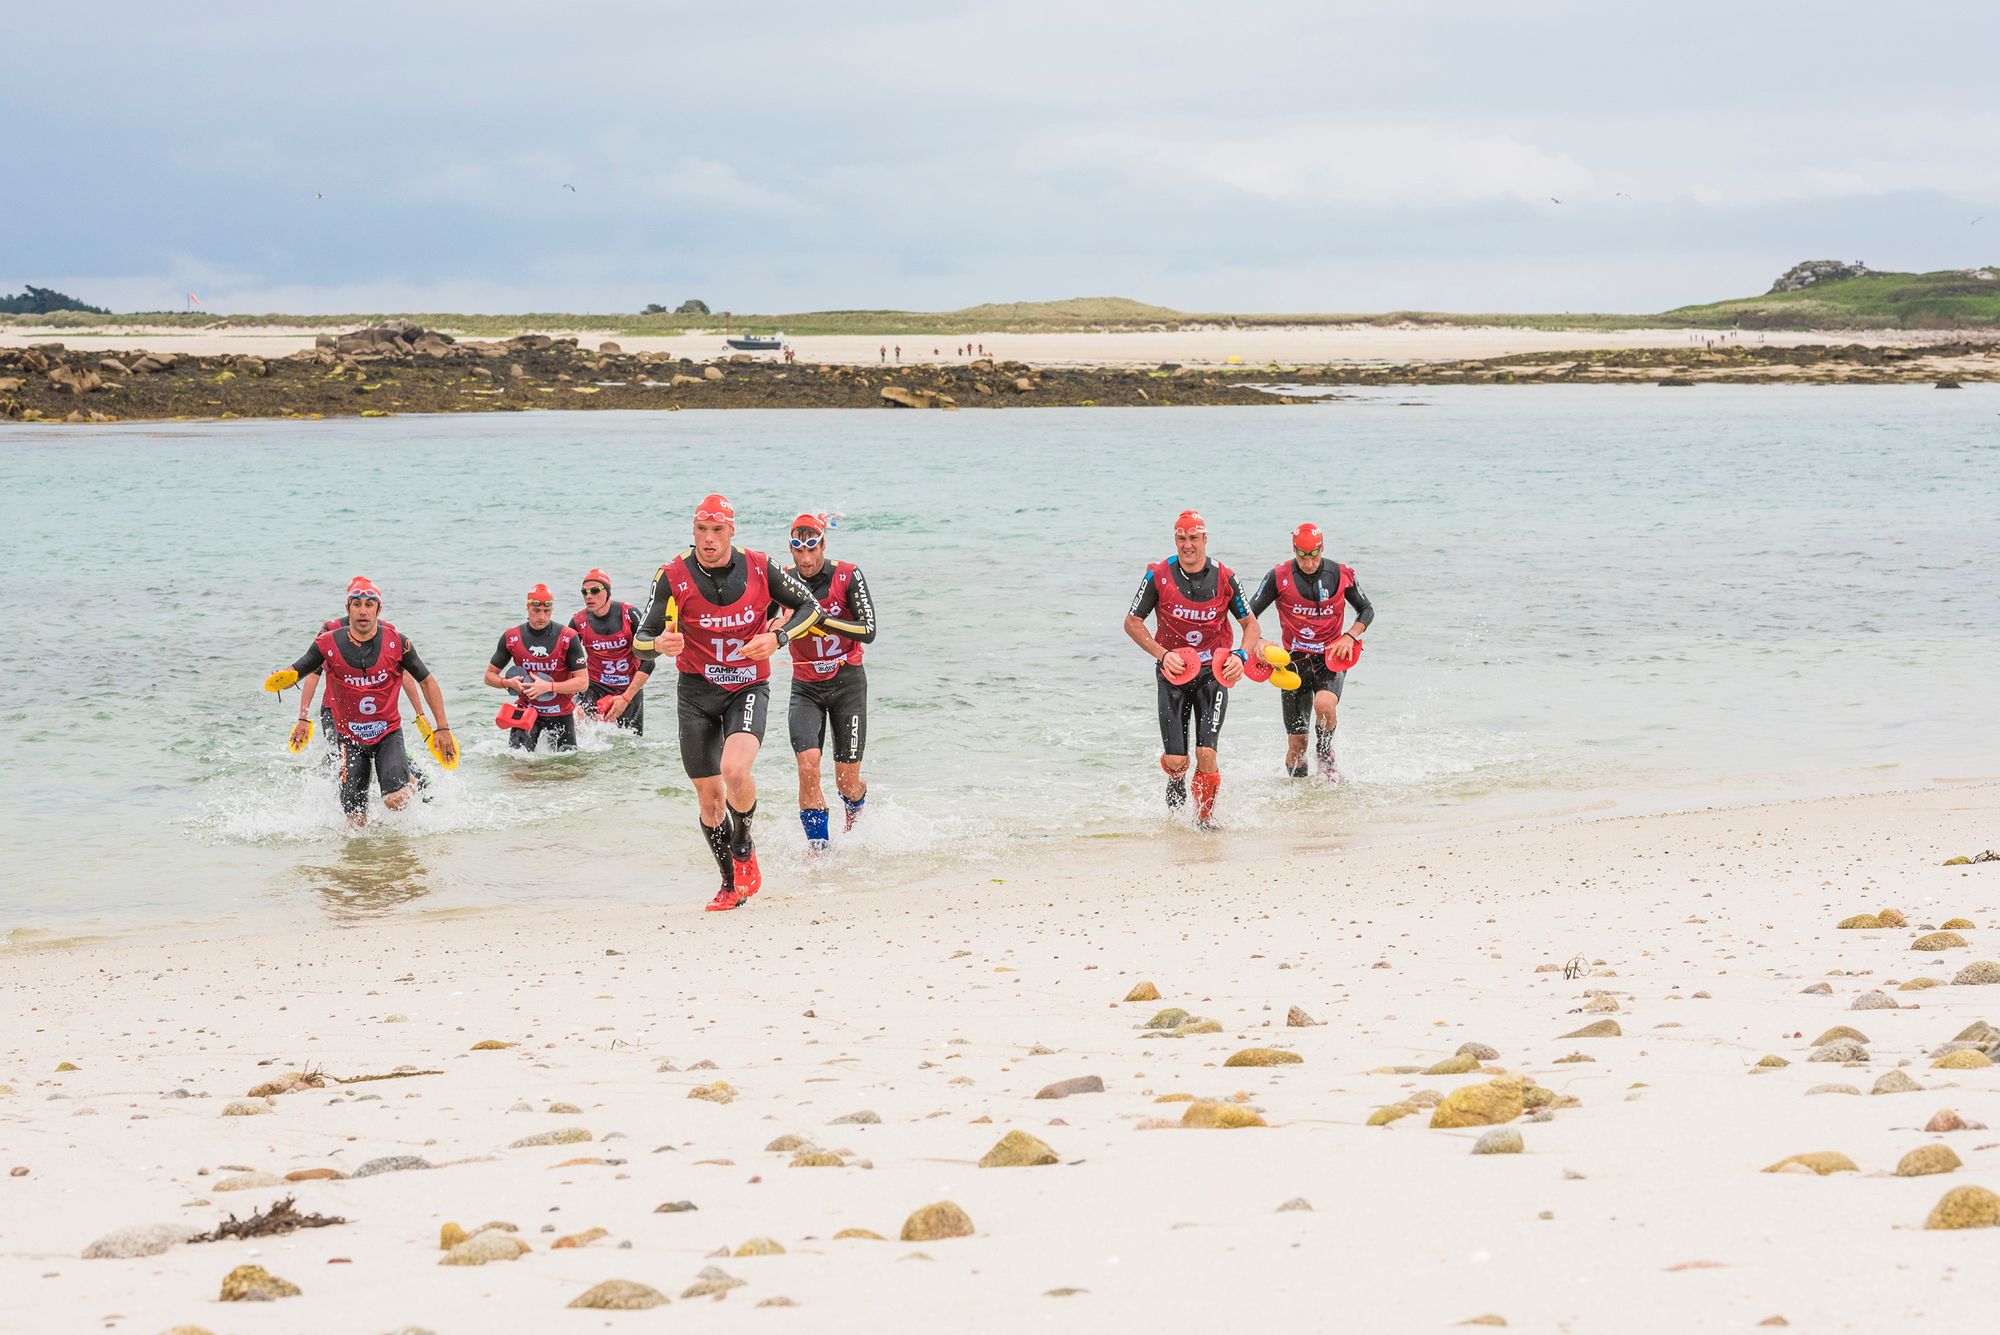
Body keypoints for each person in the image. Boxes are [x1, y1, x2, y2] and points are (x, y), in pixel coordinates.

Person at [634, 495, 821, 911]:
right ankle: (728, 884)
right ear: (693, 531)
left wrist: (777, 637)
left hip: (747, 686)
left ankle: (743, 844)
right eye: (701, 530)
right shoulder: (671, 575)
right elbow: (640, 638)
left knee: (735, 770)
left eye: (717, 530)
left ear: (731, 531)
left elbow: (812, 606)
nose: (708, 539)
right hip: (696, 692)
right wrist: (661, 644)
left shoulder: (759, 565)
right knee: (709, 799)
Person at [1122, 511, 1262, 829]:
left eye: (1194, 538)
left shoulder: (1225, 577)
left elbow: (1250, 623)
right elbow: (1132, 622)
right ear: (1176, 540)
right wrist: (1161, 654)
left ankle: (1204, 821)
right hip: (1173, 673)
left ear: (1204, 539)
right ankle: (1175, 806)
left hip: (1212, 673)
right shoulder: (1158, 575)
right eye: (1181, 538)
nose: (1188, 545)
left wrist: (1241, 655)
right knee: (1176, 761)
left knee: (1207, 753)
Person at [287, 577, 457, 826]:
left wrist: (425, 718)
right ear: (348, 605)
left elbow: (411, 677)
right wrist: (303, 717)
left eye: (369, 603)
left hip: (382, 721)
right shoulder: (329, 634)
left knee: (394, 800)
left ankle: (406, 781)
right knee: (353, 817)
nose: (363, 610)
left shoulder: (391, 636)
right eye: (357, 603)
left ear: (378, 607)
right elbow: (311, 673)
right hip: (337, 713)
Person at [781, 512, 878, 852]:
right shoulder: (782, 581)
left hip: (847, 684)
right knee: (807, 767)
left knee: (846, 780)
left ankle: (855, 819)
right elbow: (760, 627)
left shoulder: (848, 575)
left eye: (812, 550)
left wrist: (822, 619)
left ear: (823, 544)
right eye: (798, 552)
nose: (806, 560)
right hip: (805, 687)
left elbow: (868, 631)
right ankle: (819, 851)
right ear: (791, 550)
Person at [1247, 523, 1373, 781]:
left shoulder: (1340, 574)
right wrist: (1258, 641)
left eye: (1314, 554)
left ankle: (1325, 755)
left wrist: (1350, 636)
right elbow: (1247, 616)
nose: (1308, 561)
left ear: (1321, 549)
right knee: (1297, 745)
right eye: (1302, 555)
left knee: (1324, 703)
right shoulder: (1278, 576)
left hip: (1330, 657)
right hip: (1293, 662)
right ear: (1294, 550)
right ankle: (1299, 794)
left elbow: (1366, 610)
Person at [484, 583, 588, 752]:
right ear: (528, 607)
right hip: (527, 712)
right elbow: (489, 676)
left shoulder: (568, 637)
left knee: (569, 771)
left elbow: (583, 682)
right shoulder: (512, 637)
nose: (542, 616)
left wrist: (549, 687)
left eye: (547, 611)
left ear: (551, 609)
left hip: (561, 713)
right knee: (517, 765)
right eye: (536, 610)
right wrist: (507, 683)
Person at [569, 568, 647, 734]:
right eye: (585, 592)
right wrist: (571, 700)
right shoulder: (578, 621)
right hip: (594, 686)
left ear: (608, 592)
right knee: (584, 735)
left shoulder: (630, 615)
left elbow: (649, 662)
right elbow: (567, 663)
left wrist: (627, 697)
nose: (589, 596)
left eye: (595, 591)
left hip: (628, 687)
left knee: (631, 744)